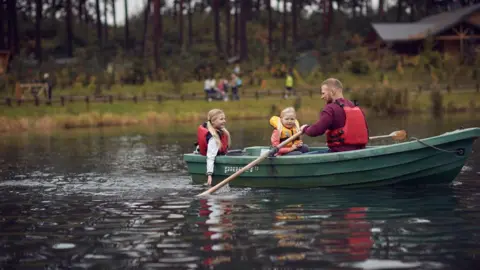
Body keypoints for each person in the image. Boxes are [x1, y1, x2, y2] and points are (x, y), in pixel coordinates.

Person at [300, 78, 369, 154]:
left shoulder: (330, 108)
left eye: (323, 93)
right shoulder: (353, 106)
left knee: (300, 157)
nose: (321, 97)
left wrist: (305, 128)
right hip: (359, 151)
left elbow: (316, 130)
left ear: (332, 92)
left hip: (339, 152)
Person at [196, 109, 231, 185]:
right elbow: (210, 157)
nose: (224, 121)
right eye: (221, 119)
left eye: (224, 119)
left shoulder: (220, 131)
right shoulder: (213, 138)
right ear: (213, 121)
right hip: (210, 159)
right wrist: (209, 175)